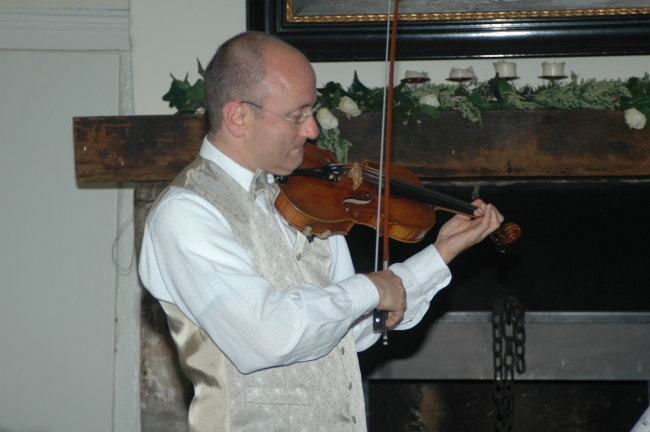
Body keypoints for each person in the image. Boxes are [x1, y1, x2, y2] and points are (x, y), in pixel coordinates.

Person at [139, 31, 504, 432]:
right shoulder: (186, 213)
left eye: (312, 111)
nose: (313, 129)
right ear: (238, 117)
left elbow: (349, 332)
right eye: (297, 115)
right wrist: (371, 289)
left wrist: (440, 253)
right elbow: (267, 337)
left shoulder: (309, 197)